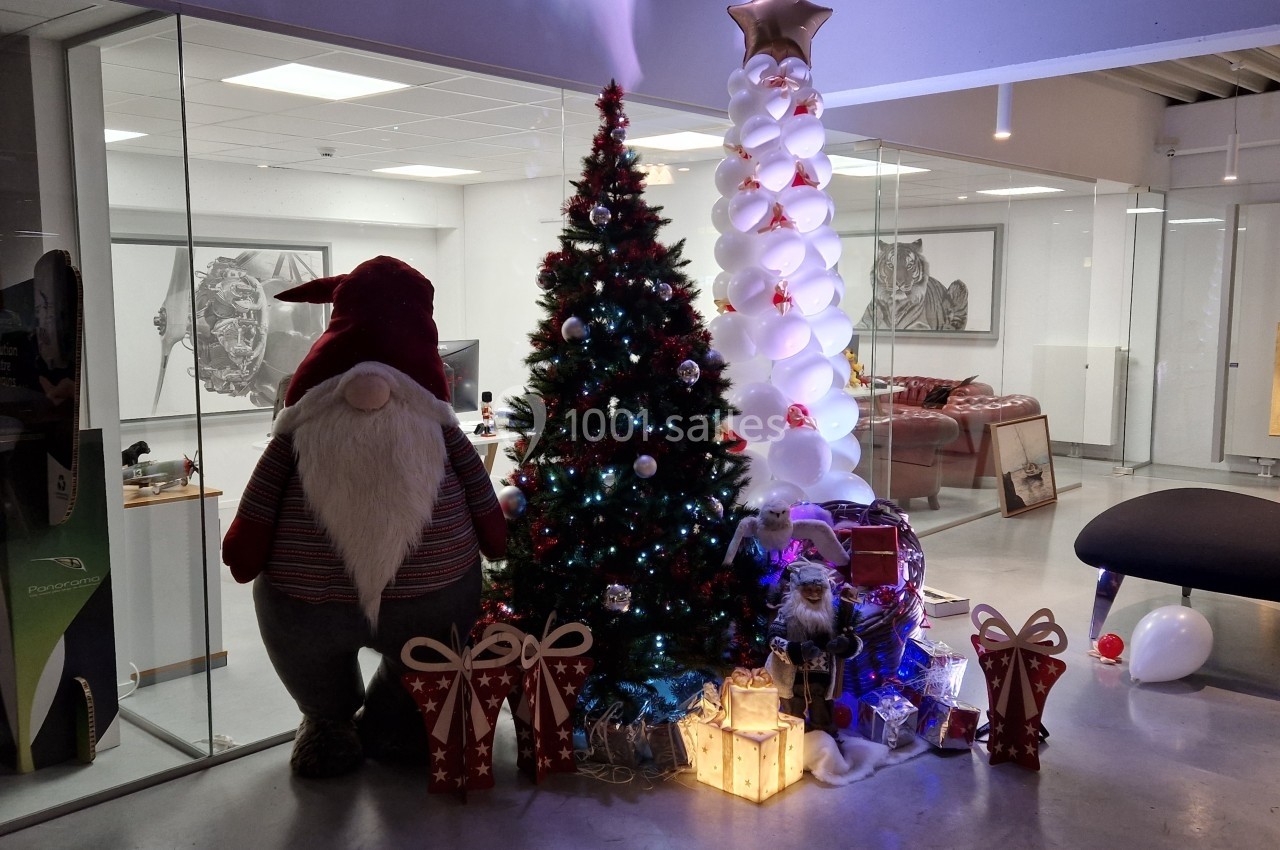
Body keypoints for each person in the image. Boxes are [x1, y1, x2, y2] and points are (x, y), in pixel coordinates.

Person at [766, 560, 861, 736]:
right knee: (792, 718)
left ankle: (824, 742)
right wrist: (796, 651)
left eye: (818, 590)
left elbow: (855, 642)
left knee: (823, 714)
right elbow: (774, 640)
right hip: (792, 681)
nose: (814, 595)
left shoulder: (833, 617)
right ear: (797, 592)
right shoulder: (786, 614)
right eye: (808, 590)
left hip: (822, 682)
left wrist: (845, 645)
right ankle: (792, 742)